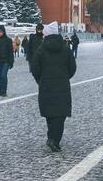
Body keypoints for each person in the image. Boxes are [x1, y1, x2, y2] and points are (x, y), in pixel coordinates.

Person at [31, 21, 76, 152]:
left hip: (46, 85)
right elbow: (72, 67)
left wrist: (41, 80)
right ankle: (54, 140)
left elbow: (35, 67)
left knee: (50, 114)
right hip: (62, 85)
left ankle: (51, 138)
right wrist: (64, 77)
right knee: (60, 115)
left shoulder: (41, 49)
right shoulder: (66, 49)